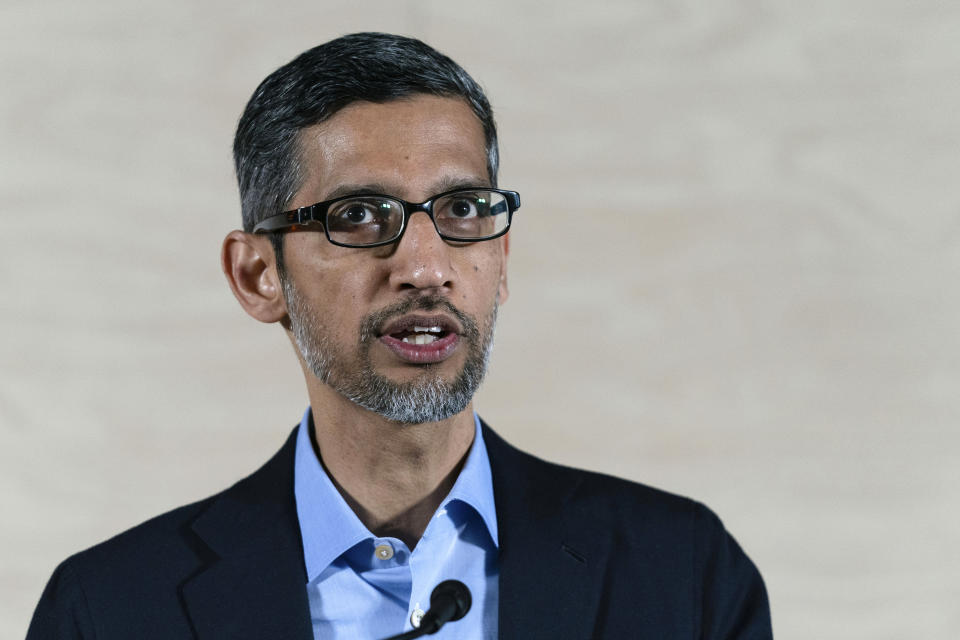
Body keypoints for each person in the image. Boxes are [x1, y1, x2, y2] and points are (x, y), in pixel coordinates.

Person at [27, 33, 772, 639]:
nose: (425, 267)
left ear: (501, 262)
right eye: (357, 216)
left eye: (462, 211)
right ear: (259, 276)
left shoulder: (686, 576)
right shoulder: (109, 610)